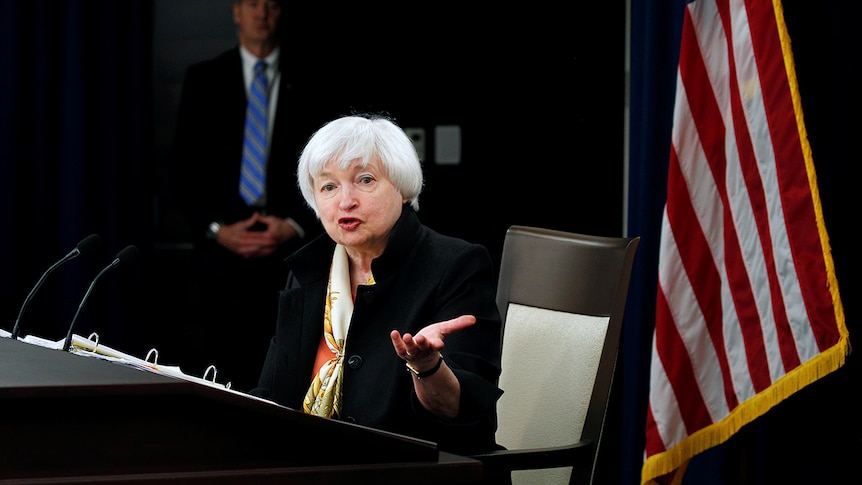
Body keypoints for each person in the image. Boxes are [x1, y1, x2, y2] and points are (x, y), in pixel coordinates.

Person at [250, 114, 505, 456]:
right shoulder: (308, 270)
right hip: (305, 467)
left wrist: (427, 367)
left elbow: (463, 416)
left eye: (365, 180)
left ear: (402, 188)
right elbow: (271, 396)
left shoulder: (456, 265)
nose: (345, 201)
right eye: (328, 186)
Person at [169, 0, 334, 391]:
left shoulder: (315, 78)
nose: (262, 13)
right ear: (236, 12)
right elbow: (181, 173)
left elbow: (331, 167)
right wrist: (217, 229)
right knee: (219, 368)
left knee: (284, 372)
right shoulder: (204, 78)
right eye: (252, 4)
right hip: (220, 255)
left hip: (291, 256)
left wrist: (295, 224)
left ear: (282, 13)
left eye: (272, 5)